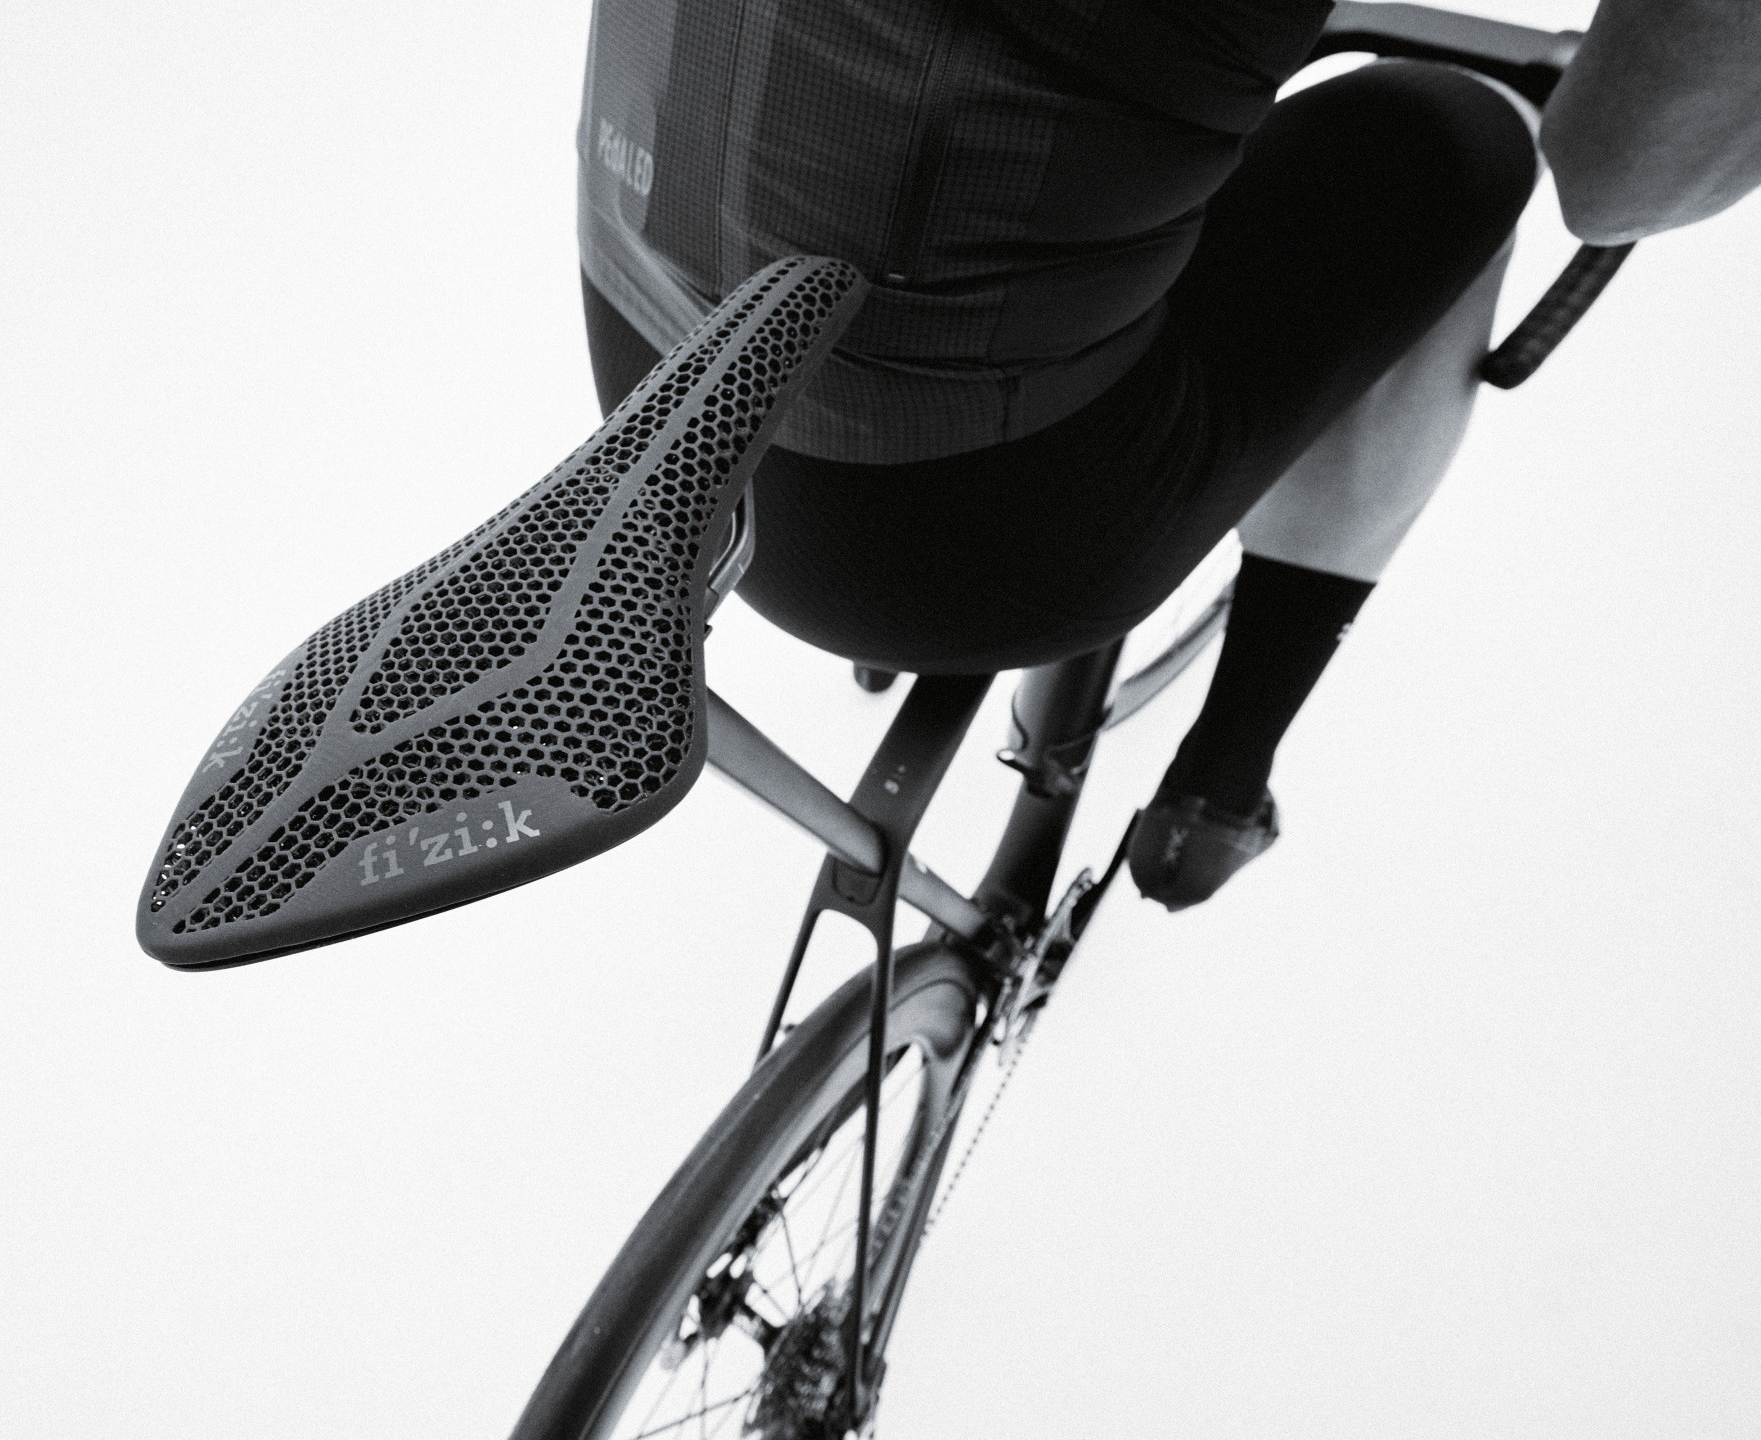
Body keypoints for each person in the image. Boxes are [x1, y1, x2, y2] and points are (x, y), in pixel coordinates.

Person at [574, 0, 1761, 909]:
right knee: (1463, 130)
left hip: (653, 362)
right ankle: (1222, 784)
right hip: (953, 541)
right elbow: (1621, 175)